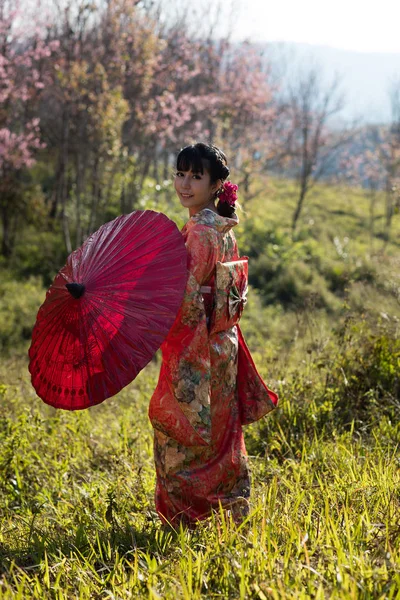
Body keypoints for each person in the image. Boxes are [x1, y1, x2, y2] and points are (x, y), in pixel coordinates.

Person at [148, 142, 278, 526]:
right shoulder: (220, 227)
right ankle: (224, 509)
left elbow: (182, 293)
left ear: (216, 183)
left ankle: (190, 514)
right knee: (217, 432)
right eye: (180, 173)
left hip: (199, 348)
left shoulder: (202, 231)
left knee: (183, 429)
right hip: (223, 345)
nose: (185, 184)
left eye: (196, 176)